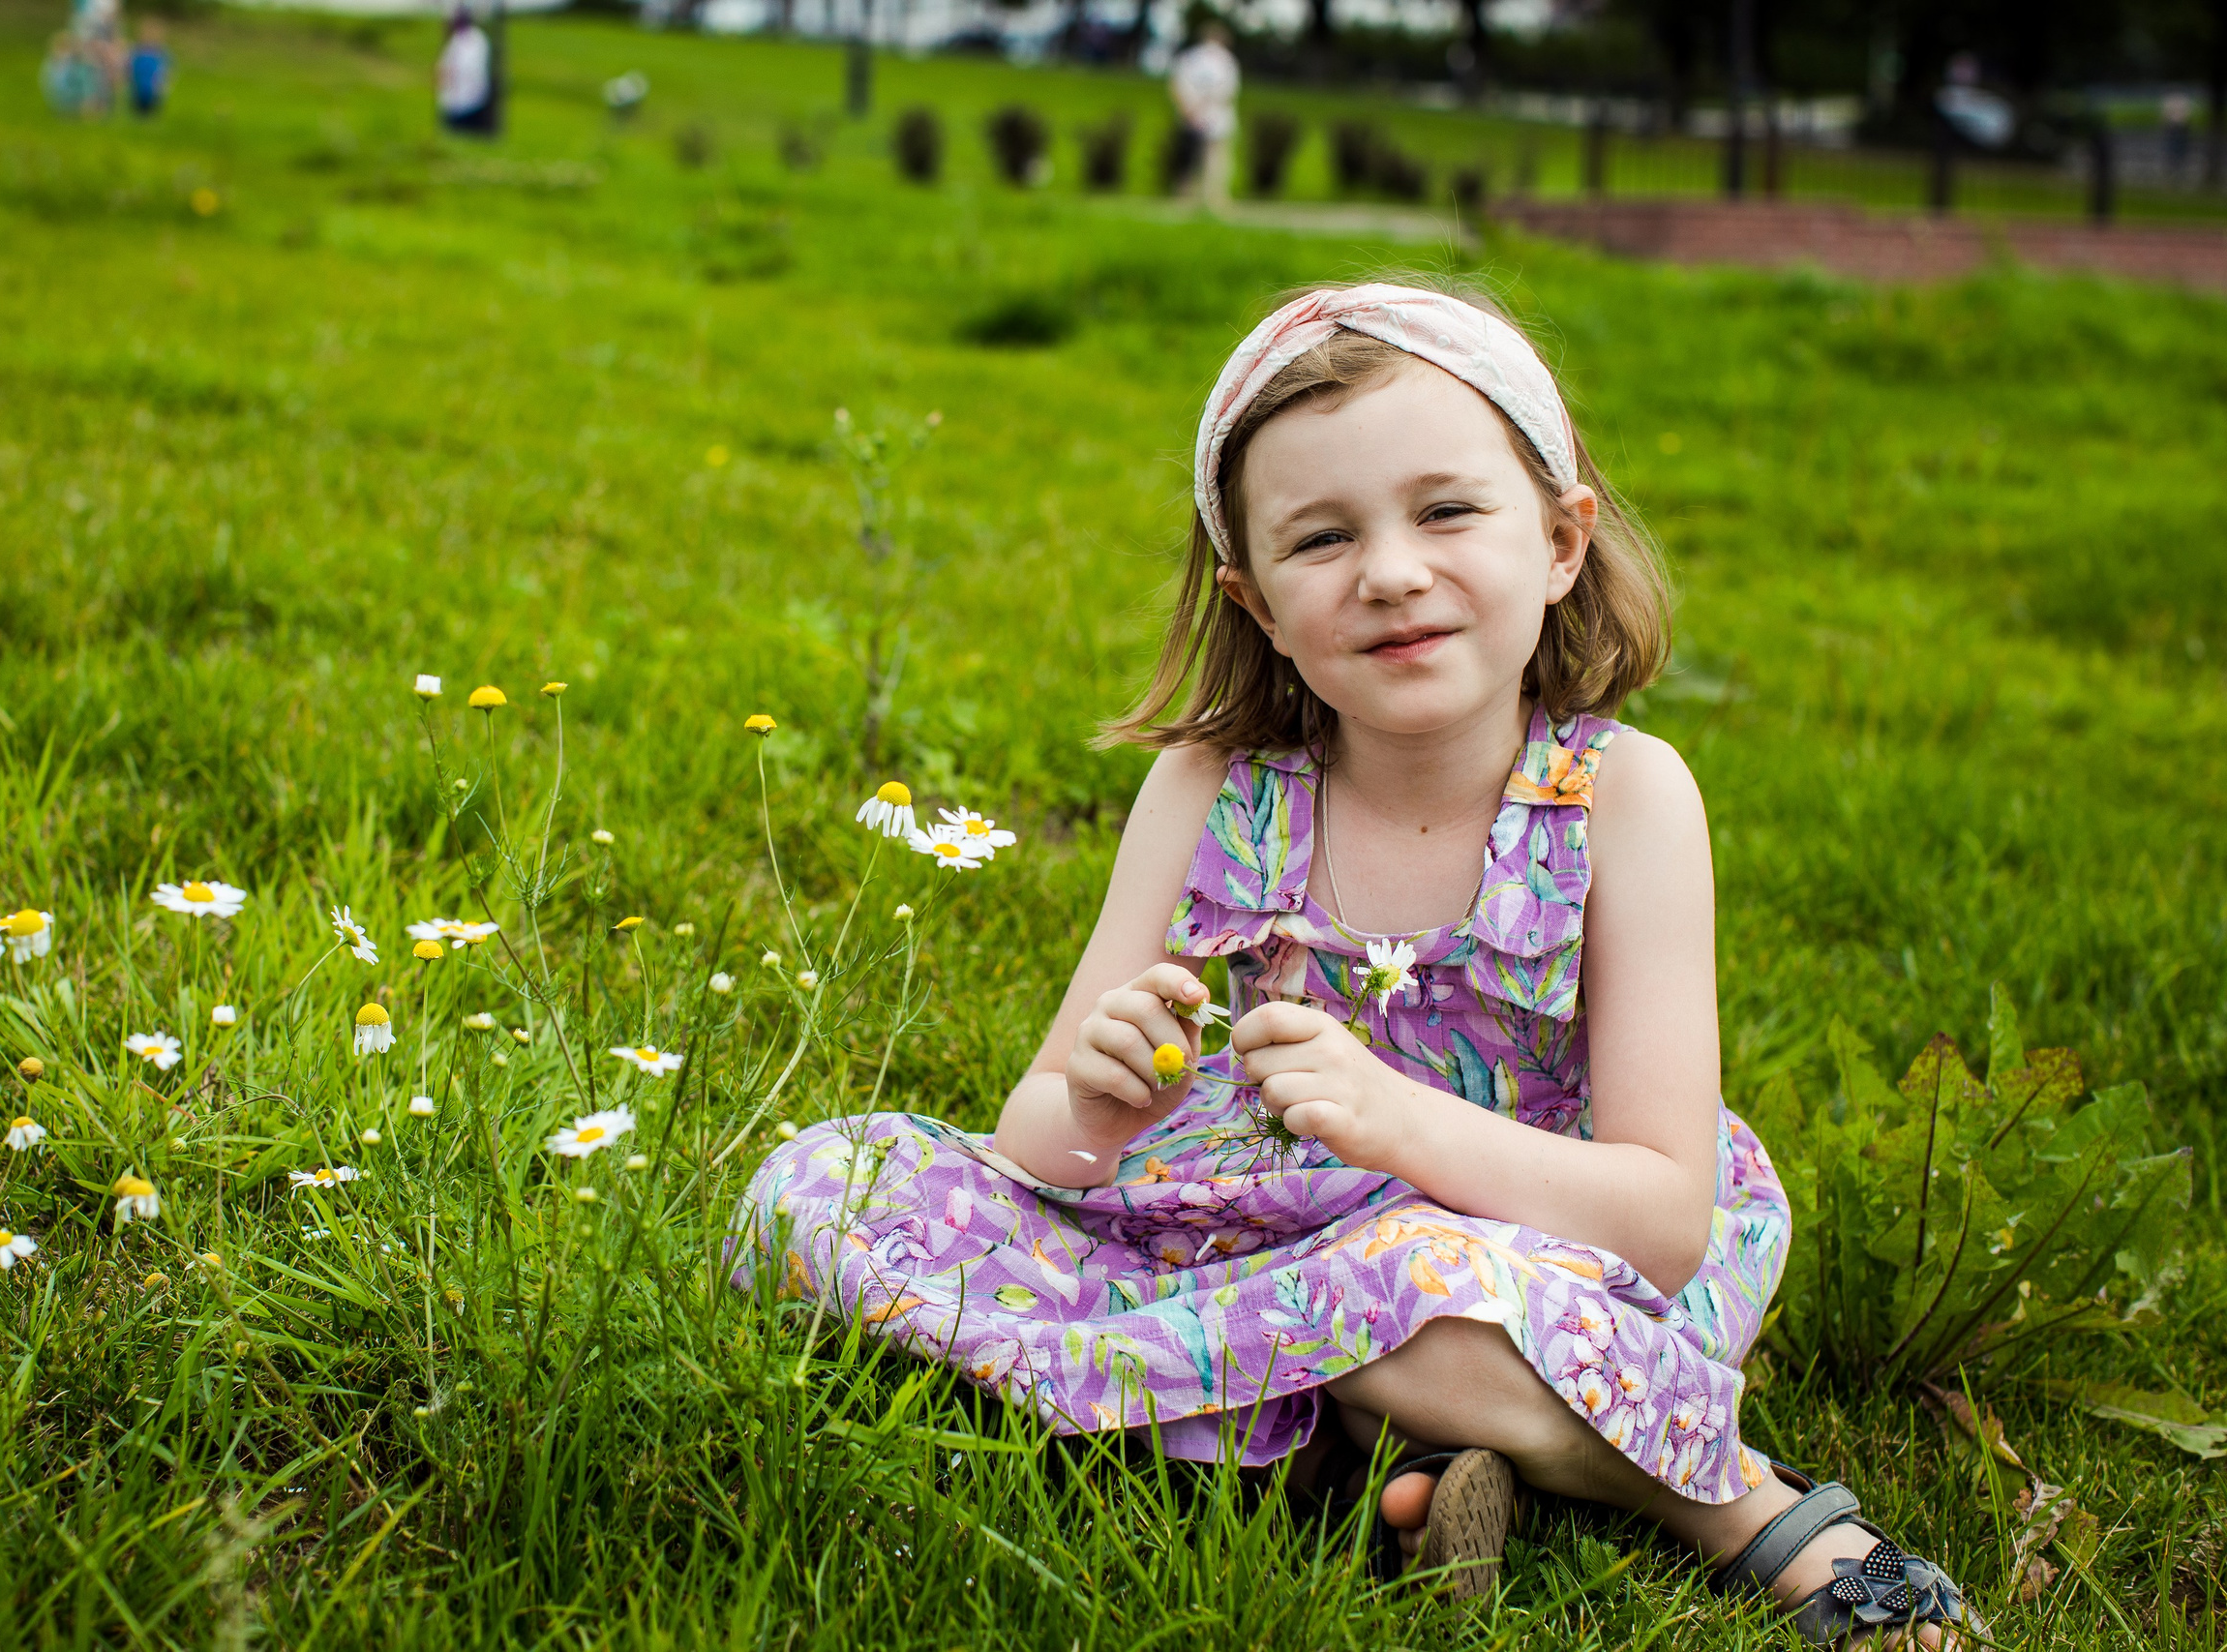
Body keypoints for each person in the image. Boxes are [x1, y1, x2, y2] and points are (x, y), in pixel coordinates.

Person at [734, 282, 1976, 1647]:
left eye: (1447, 512)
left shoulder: (1622, 797)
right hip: (1241, 1217)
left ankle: (1734, 1506)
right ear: (1256, 602)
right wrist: (1097, 1105)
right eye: (1322, 539)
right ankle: (1388, 1450)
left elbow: (1663, 1214)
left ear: (1561, 540)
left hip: (1535, 1250)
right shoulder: (1210, 787)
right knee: (817, 1190)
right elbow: (1039, 1148)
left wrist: (1393, 1120)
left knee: (1413, 1296)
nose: (1389, 570)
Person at [1169, 22, 1238, 211]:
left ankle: (1187, 195)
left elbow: (1176, 84)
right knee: (1213, 157)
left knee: (1191, 156)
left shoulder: (1189, 58)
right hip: (1214, 115)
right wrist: (1201, 105)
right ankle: (1214, 197)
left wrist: (1190, 108)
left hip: (1192, 113)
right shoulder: (1225, 60)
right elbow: (1227, 90)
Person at [436, 6, 495, 136]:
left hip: (466, 101)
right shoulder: (464, 40)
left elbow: (459, 69)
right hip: (463, 100)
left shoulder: (472, 40)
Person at [128, 20, 171, 118]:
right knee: (138, 109)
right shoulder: (136, 51)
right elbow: (129, 67)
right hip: (138, 87)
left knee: (151, 109)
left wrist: (162, 84)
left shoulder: (160, 54)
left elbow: (164, 71)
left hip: (153, 88)